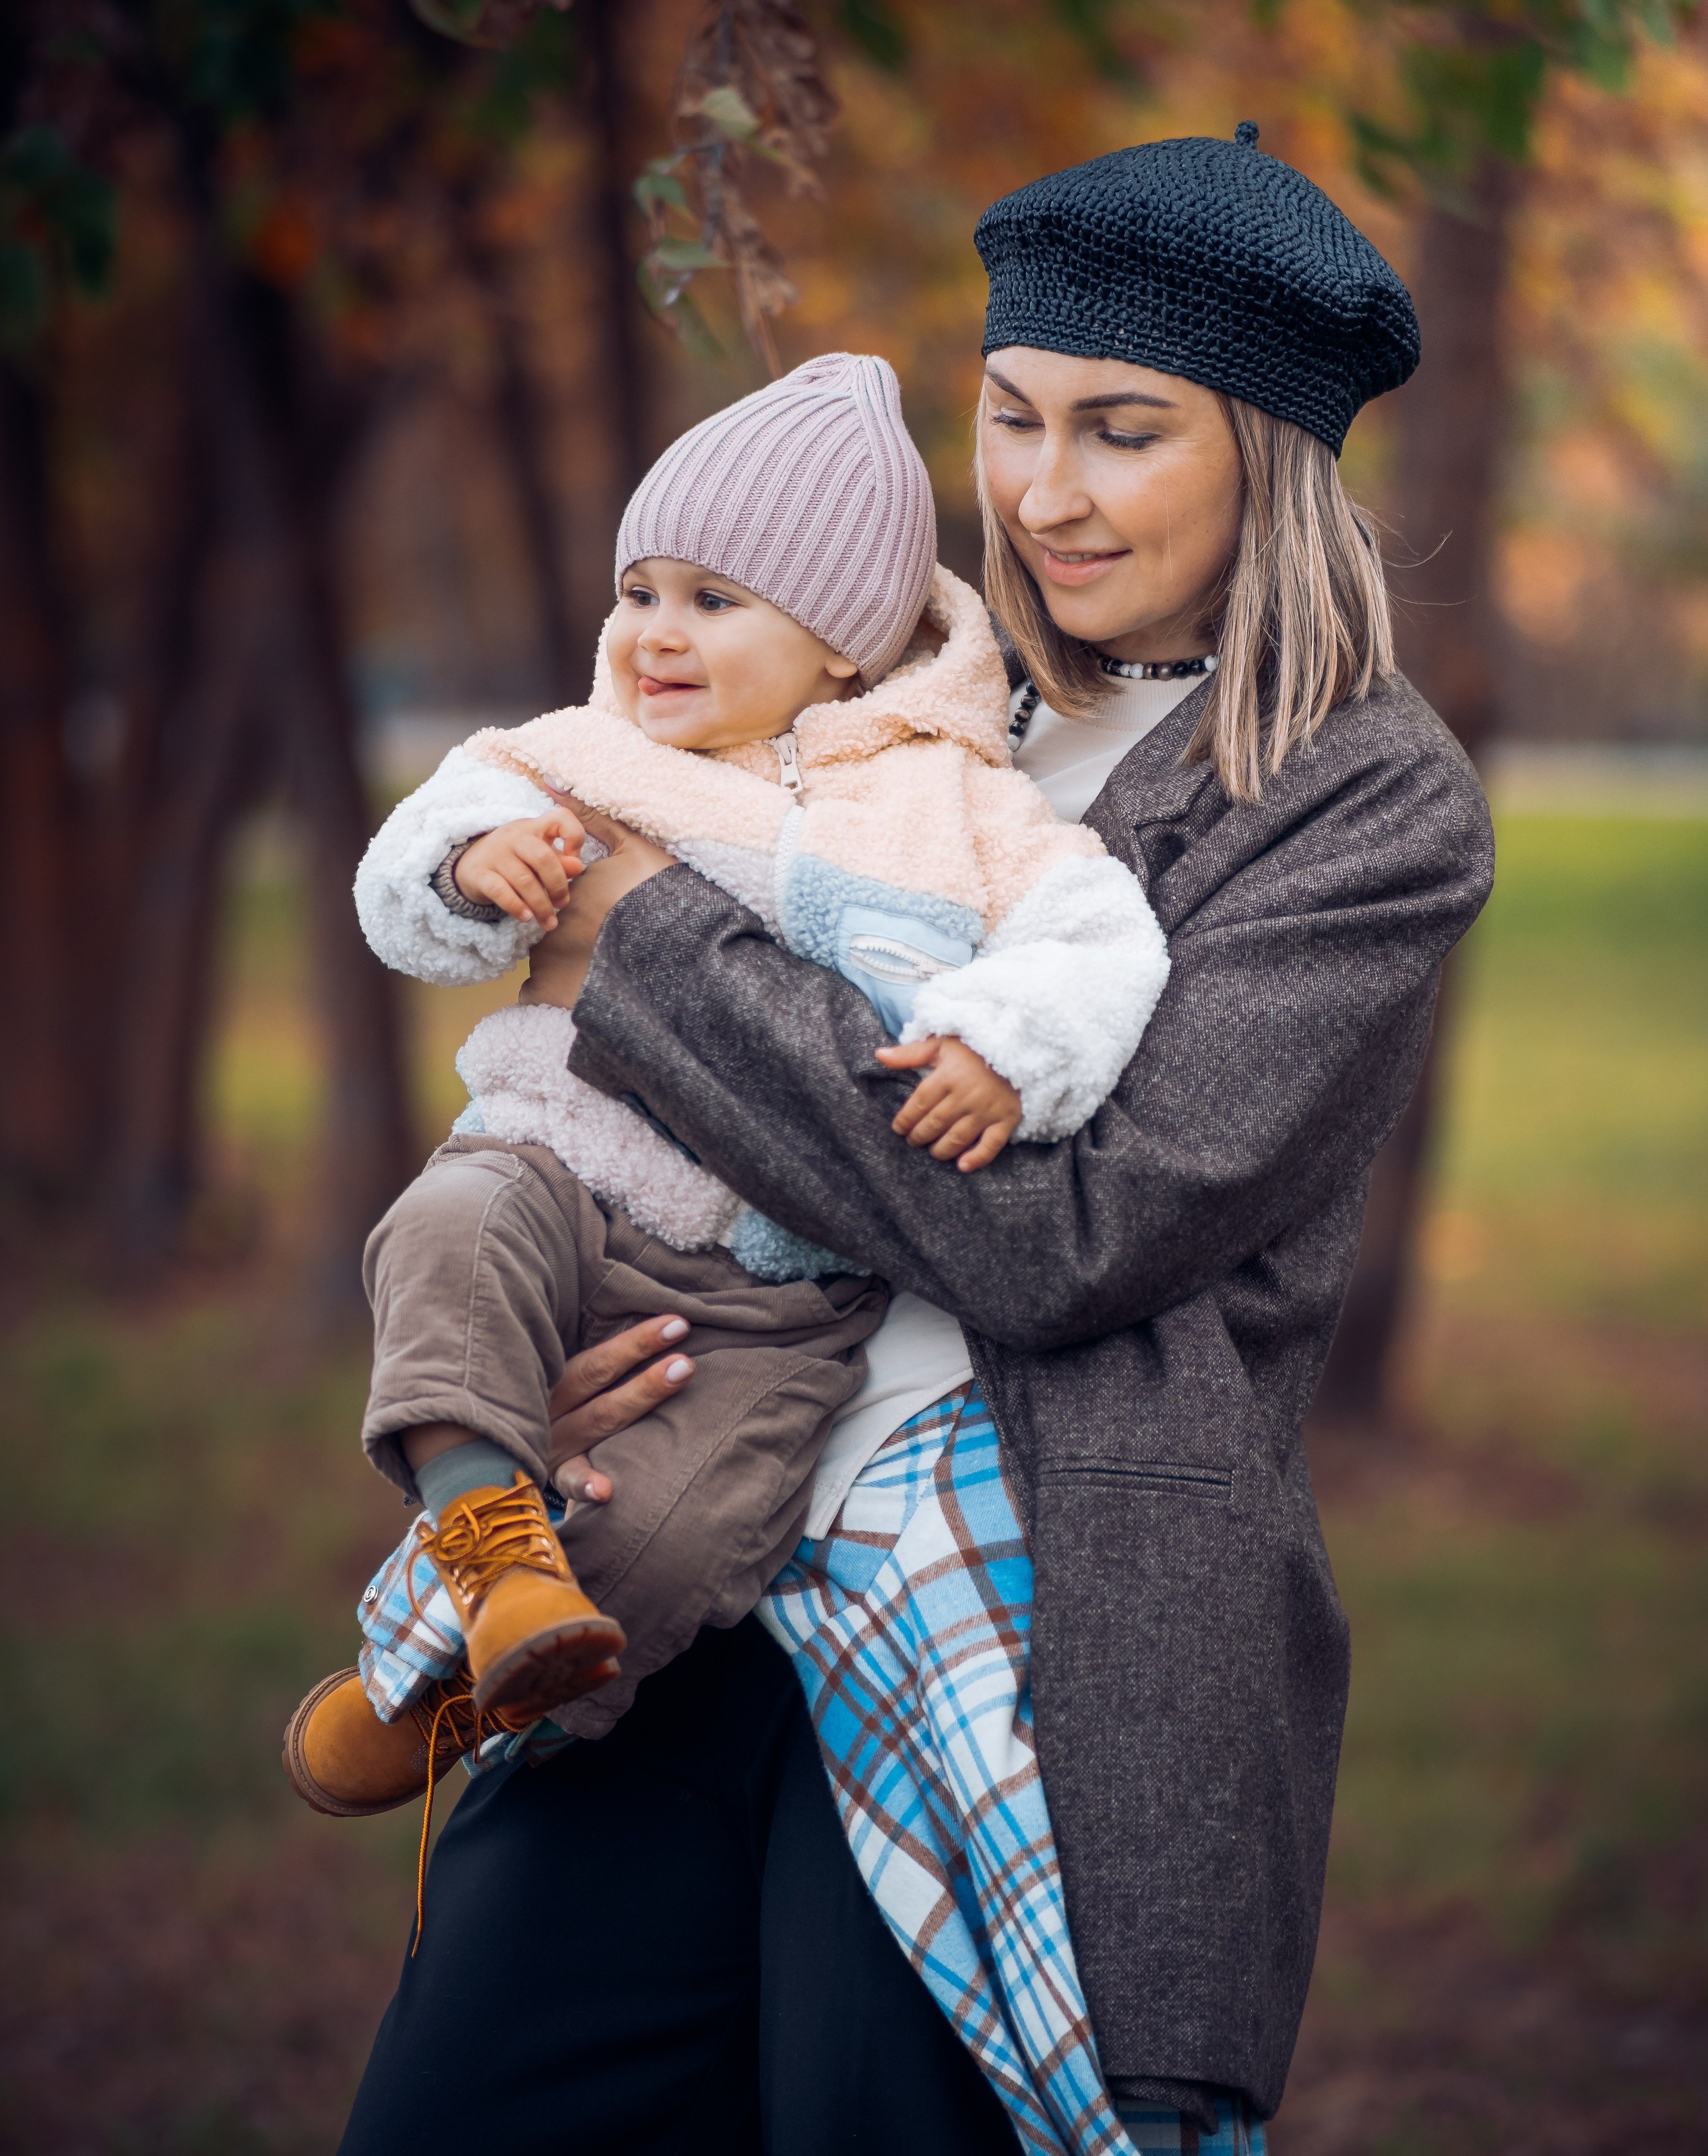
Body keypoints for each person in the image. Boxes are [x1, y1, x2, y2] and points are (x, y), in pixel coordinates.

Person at [338, 127, 1494, 2156]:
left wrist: (639, 941)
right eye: (1017, 416)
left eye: (1124, 433)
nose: (1047, 493)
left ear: (1271, 462)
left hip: (1031, 1624)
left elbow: (1075, 1229)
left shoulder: (1361, 808)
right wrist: (569, 1330)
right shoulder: (890, 680)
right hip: (687, 1537)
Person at [286, 352, 1168, 1812]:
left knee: (691, 1527)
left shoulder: (957, 805)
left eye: (712, 601)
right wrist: (462, 864)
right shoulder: (578, 757)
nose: (653, 636)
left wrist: (1006, 1044)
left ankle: (466, 1701)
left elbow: (1094, 937)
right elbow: (408, 867)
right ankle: (482, 1541)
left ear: (839, 642)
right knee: (445, 1241)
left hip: (778, 1289)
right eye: (639, 592)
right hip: (559, 1171)